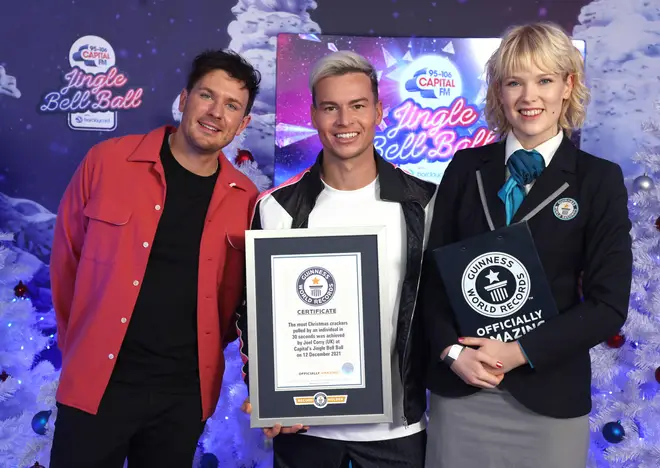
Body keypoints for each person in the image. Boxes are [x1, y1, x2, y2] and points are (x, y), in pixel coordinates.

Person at [419, 22, 633, 468]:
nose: (529, 97)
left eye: (545, 80)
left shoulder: (598, 180)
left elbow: (608, 305)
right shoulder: (465, 167)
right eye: (515, 82)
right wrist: (452, 352)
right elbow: (430, 277)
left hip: (550, 395)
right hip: (463, 390)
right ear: (499, 92)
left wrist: (517, 352)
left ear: (568, 85)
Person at [49, 49, 260, 467]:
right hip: (97, 384)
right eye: (207, 96)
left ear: (243, 123)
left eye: (232, 105)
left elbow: (239, 304)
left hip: (181, 397)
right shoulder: (107, 162)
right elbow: (66, 263)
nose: (216, 113)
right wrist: (81, 348)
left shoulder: (246, 200)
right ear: (184, 99)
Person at [238, 50, 436, 467]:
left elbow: (442, 307)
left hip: (397, 428)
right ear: (313, 115)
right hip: (305, 425)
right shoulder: (276, 208)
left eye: (358, 106)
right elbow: (253, 314)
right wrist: (266, 393)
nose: (345, 122)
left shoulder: (424, 204)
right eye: (331, 108)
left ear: (379, 111)